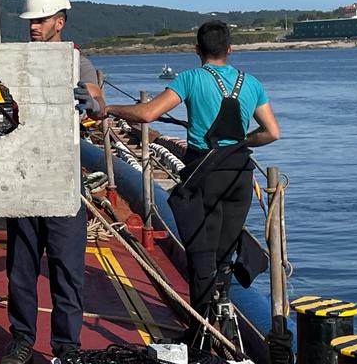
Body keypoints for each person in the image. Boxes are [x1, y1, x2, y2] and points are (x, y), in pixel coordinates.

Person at [94, 20, 280, 338]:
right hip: (239, 176)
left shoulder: (190, 78)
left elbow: (147, 114)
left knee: (201, 253)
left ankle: (200, 332)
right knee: (223, 251)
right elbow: (272, 132)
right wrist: (242, 142)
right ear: (230, 49)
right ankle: (221, 321)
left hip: (204, 174)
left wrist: (109, 108)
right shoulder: (251, 83)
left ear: (197, 50)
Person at [0, 0, 101, 364]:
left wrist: (89, 100)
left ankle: (66, 346)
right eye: (31, 20)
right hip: (25, 180)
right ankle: (22, 340)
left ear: (60, 22)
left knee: (66, 270)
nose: (34, 26)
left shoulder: (77, 63)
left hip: (63, 183)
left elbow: (98, 101)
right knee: (20, 270)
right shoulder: (17, 63)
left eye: (41, 20)